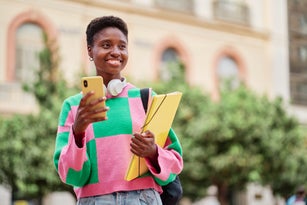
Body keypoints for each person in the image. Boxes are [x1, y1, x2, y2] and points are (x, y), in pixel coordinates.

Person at [53, 15, 183, 205]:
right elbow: (71, 175)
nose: (116, 52)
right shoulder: (73, 106)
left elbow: (175, 162)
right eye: (106, 45)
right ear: (90, 50)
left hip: (144, 198)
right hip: (94, 200)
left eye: (122, 46)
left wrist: (153, 152)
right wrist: (78, 132)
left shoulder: (146, 99)